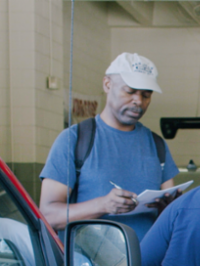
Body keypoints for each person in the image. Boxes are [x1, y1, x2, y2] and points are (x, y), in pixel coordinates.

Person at [40, 52, 180, 239]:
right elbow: (48, 216)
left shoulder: (157, 145)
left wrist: (170, 209)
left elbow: (169, 214)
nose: (138, 101)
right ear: (107, 84)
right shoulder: (75, 140)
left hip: (148, 265)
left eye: (146, 95)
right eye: (130, 91)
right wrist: (103, 205)